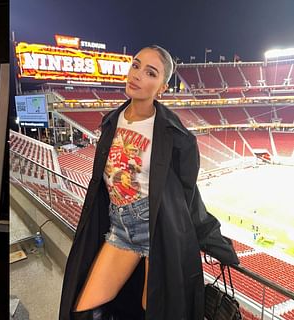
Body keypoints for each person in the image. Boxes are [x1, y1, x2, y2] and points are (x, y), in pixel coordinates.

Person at [59, 45, 239, 320]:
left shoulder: (176, 135)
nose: (138, 75)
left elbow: (187, 195)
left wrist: (211, 236)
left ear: (162, 87)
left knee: (153, 311)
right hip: (120, 229)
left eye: (150, 72)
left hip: (159, 233)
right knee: (82, 308)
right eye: (136, 65)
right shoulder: (111, 122)